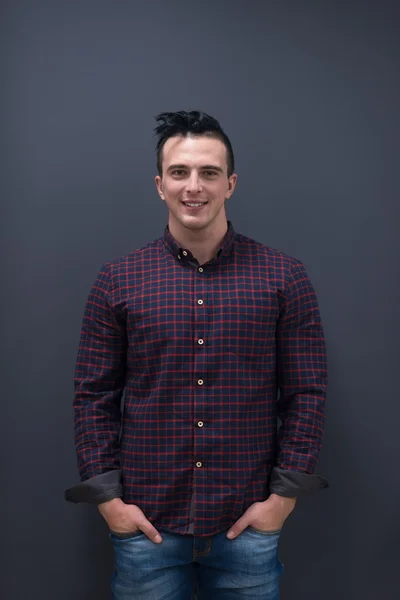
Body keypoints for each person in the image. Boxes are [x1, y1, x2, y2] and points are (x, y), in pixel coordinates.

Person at [65, 110, 328, 600]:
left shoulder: (283, 278)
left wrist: (282, 500)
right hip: (147, 529)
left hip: (247, 527)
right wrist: (111, 505)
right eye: (180, 172)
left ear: (230, 183)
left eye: (209, 173)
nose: (194, 186)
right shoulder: (119, 281)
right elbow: (92, 397)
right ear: (159, 184)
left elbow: (306, 393)